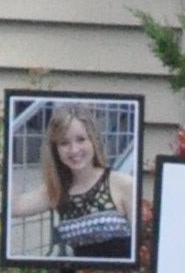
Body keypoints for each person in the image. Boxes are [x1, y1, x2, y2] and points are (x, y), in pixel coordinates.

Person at [38, 104, 135, 262]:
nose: (74, 150)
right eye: (64, 143)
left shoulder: (123, 184)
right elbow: (16, 206)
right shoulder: (57, 189)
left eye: (81, 139)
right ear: (55, 149)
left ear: (93, 140)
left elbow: (144, 250)